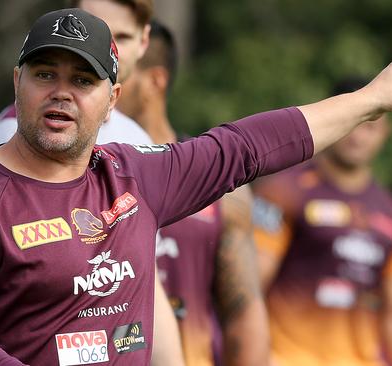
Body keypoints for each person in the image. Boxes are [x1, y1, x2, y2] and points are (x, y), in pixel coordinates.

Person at [0, 7, 392, 365]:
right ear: (16, 82)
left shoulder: (135, 175)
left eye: (83, 81)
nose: (62, 92)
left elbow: (245, 147)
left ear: (113, 101)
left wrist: (369, 100)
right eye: (45, 74)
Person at [0, 1, 185, 364]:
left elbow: (143, 281)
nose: (62, 92)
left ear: (143, 42)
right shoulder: (4, 137)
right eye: (45, 74)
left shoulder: (138, 143)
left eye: (119, 36)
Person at [118, 20, 269, 366]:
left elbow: (244, 312)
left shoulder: (219, 185)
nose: (97, 87)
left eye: (115, 77)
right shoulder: (85, 180)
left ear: (154, 80)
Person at [252, 77, 392, 366]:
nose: (358, 137)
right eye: (354, 123)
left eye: (370, 126)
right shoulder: (282, 192)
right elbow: (250, 287)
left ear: (385, 132)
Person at [0, 0, 153, 147]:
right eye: (90, 31)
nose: (108, 48)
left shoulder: (138, 139)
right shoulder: (8, 137)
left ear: (144, 41)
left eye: (122, 37)